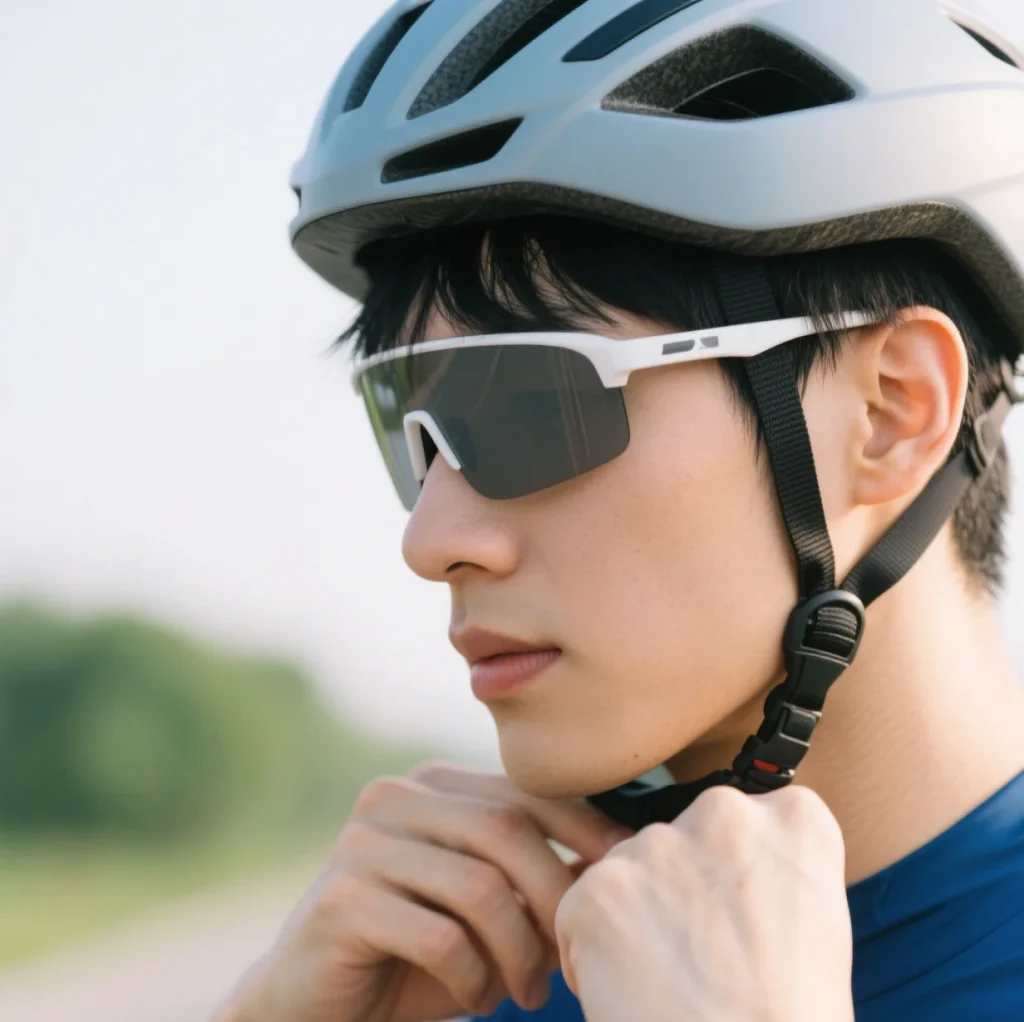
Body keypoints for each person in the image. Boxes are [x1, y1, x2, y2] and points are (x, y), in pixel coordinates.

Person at [215, 0, 1024, 1019]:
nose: (431, 539)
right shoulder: (462, 974)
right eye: (410, 429)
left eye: (531, 404)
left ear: (890, 412)